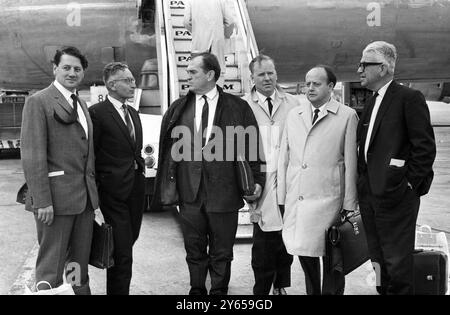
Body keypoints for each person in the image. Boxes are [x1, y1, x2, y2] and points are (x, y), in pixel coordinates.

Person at [151, 52, 265, 295]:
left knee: (222, 249)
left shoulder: (238, 107)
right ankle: (197, 288)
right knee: (194, 246)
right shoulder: (178, 108)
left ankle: (219, 290)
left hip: (224, 191)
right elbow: (167, 151)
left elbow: (252, 146)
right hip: (189, 191)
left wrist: (258, 180)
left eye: (193, 72)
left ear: (210, 74)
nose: (187, 76)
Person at [356, 41, 436, 295]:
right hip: (371, 196)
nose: (359, 70)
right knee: (377, 260)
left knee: (398, 264)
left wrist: (408, 185)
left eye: (364, 64)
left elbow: (424, 148)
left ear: (382, 68)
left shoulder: (408, 99)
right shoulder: (372, 101)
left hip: (396, 197)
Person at [21, 46, 98, 295]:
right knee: (51, 269)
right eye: (66, 67)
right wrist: (42, 200)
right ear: (55, 69)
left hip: (83, 202)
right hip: (54, 202)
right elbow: (33, 156)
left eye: (77, 69)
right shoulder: (39, 101)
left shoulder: (81, 104)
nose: (72, 72)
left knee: (77, 265)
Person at [277, 65, 359, 295]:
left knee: (334, 259)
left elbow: (351, 164)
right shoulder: (295, 115)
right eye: (307, 83)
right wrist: (282, 195)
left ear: (331, 87)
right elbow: (285, 156)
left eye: (316, 83)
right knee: (304, 254)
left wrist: (350, 203)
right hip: (299, 198)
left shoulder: (346, 116)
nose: (309, 88)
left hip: (329, 199)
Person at [242, 55, 298, 295]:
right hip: (260, 181)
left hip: (289, 180)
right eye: (261, 74)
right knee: (263, 241)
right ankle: (261, 290)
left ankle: (281, 285)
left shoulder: (294, 103)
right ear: (252, 77)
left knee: (286, 238)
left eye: (271, 73)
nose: (267, 78)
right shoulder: (242, 105)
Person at [89, 62, 145, 295]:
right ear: (112, 85)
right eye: (128, 80)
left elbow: (134, 150)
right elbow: (91, 154)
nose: (134, 84)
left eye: (133, 80)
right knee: (123, 253)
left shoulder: (132, 112)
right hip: (112, 192)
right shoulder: (97, 114)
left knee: (127, 244)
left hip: (135, 189)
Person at [184, 0, 235, 84]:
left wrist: (196, 32)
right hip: (216, 41)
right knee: (218, 71)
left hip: (199, 42)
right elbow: (230, 22)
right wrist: (226, 34)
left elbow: (186, 22)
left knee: (198, 71)